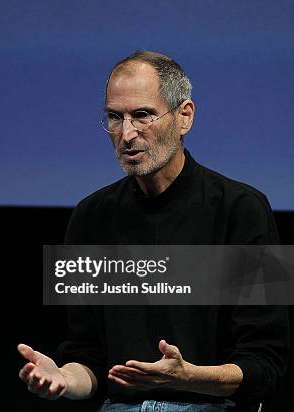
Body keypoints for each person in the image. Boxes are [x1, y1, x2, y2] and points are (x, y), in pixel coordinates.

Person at [18, 51, 289, 411]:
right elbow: (89, 359)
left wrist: (189, 377)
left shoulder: (242, 210)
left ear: (184, 117)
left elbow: (267, 364)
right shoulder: (89, 217)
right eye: (115, 118)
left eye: (142, 115)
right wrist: (67, 378)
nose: (127, 134)